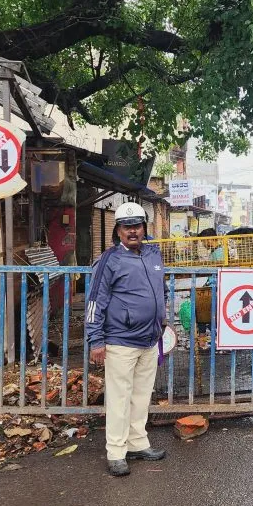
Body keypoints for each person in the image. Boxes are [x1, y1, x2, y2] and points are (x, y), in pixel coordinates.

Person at [86, 202, 167, 477]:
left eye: (137, 226)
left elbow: (161, 291)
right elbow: (95, 302)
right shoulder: (109, 260)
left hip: (149, 340)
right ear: (118, 231)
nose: (133, 231)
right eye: (126, 226)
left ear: (144, 227)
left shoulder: (153, 254)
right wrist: (96, 340)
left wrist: (162, 319)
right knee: (119, 399)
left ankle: (137, 443)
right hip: (120, 339)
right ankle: (116, 452)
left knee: (141, 396)